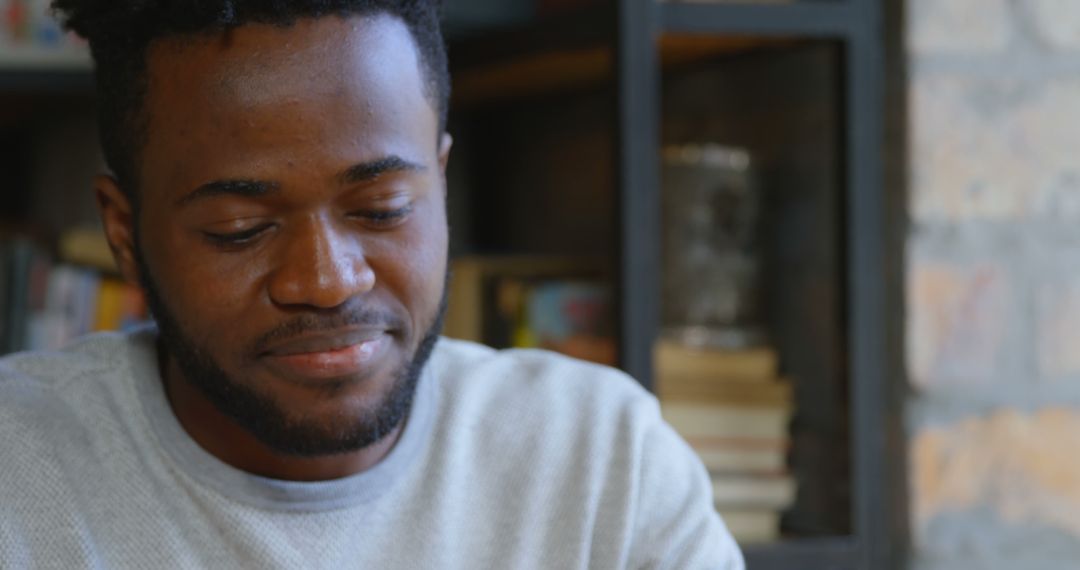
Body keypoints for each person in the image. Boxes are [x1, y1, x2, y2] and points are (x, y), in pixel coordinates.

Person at [0, 1, 743, 568]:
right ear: (124, 234)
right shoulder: (18, 476)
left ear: (441, 186)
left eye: (382, 209)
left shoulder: (600, 465)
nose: (326, 281)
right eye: (239, 227)